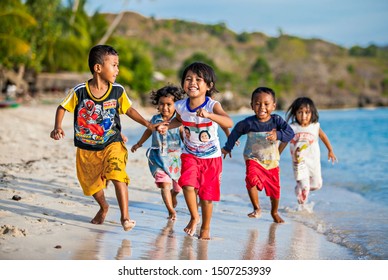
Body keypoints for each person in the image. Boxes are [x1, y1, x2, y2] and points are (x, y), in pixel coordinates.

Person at [50, 45, 158, 231]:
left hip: (112, 143)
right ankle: (104, 206)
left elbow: (129, 110)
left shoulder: (117, 90)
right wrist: (57, 127)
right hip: (86, 149)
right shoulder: (79, 91)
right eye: (114, 65)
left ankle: (125, 217)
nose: (118, 70)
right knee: (91, 186)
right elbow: (63, 107)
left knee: (118, 175)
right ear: (98, 68)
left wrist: (147, 124)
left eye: (118, 65)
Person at [159, 62, 233, 240]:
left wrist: (209, 116)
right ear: (183, 83)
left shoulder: (212, 105)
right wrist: (166, 126)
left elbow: (228, 122)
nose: (192, 82)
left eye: (198, 79)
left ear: (209, 86)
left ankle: (205, 229)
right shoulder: (181, 106)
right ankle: (194, 216)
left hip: (212, 158)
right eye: (188, 79)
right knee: (187, 184)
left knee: (207, 196)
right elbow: (179, 120)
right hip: (190, 154)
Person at [222, 87, 294, 223]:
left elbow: (290, 133)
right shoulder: (249, 123)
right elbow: (236, 132)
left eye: (266, 104)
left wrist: (278, 135)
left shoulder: (277, 121)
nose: (262, 107)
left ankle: (274, 212)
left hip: (271, 162)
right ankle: (257, 208)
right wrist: (227, 147)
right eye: (257, 103)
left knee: (274, 191)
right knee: (251, 178)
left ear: (274, 105)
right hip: (253, 158)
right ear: (252, 105)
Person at [131, 84, 185, 220]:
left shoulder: (179, 121)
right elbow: (149, 131)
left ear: (176, 105)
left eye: (169, 104)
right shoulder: (155, 119)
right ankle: (171, 210)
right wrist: (139, 143)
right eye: (161, 104)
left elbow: (185, 138)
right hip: (157, 158)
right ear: (157, 104)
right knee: (164, 184)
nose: (165, 108)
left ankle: (173, 195)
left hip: (175, 159)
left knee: (178, 188)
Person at [278, 97, 337, 204]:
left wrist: (330, 150)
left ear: (312, 113)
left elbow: (323, 137)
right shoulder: (292, 128)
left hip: (313, 162)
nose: (304, 116)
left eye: (307, 112)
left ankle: (298, 188)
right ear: (295, 113)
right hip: (299, 162)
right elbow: (284, 142)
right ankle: (303, 210)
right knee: (305, 187)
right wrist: (276, 156)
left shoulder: (314, 126)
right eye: (300, 112)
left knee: (317, 185)